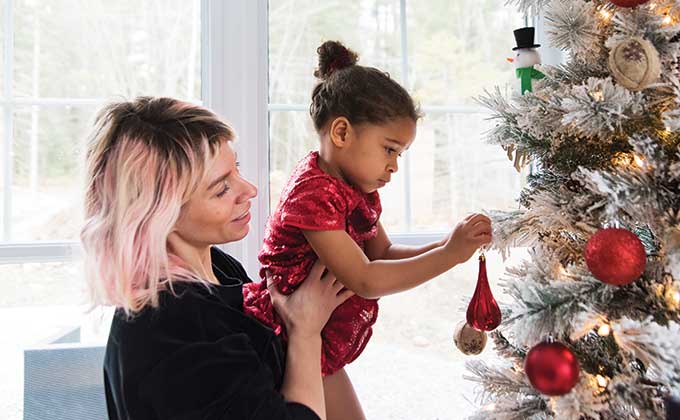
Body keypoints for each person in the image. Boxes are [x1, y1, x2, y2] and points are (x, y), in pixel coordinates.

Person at [243, 41, 493, 420]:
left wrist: (447, 245)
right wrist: (447, 256)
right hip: (283, 342)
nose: (394, 166)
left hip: (314, 339)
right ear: (342, 133)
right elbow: (365, 279)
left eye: (399, 154)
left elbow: (382, 254)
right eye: (389, 149)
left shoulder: (353, 189)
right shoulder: (312, 194)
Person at [81, 96, 348, 419]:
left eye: (237, 169)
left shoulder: (220, 268)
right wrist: (305, 333)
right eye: (221, 189)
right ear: (159, 214)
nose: (249, 190)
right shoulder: (171, 332)